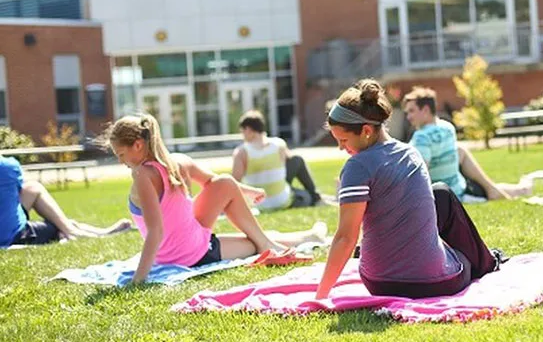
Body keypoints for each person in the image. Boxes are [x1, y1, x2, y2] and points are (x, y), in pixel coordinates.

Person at [315, 80, 498, 300]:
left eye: (343, 140)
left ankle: (484, 259)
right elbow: (347, 239)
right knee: (445, 201)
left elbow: (345, 237)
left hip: (379, 283)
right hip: (436, 283)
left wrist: (320, 294)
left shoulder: (357, 166)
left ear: (366, 131)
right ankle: (488, 262)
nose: (341, 148)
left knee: (440, 195)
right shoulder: (411, 153)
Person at [103, 114, 327, 284]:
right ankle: (295, 239)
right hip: (189, 246)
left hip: (186, 253)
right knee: (252, 237)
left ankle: (295, 239)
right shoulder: (177, 161)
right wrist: (248, 191)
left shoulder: (142, 174)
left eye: (121, 154)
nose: (120, 161)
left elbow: (156, 231)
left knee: (229, 192)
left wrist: (138, 280)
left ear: (138, 145)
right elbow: (215, 182)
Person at [401, 87, 514, 201]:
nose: (408, 117)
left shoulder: (421, 136)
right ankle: (521, 189)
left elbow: (420, 173)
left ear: (425, 110)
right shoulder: (447, 127)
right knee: (461, 150)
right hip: (459, 188)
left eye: (411, 111)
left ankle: (517, 189)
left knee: (461, 151)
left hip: (445, 196)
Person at [0, 154, 131, 248]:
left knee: (32, 188)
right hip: (10, 236)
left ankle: (79, 230)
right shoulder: (9, 166)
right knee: (58, 225)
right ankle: (80, 232)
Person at [232, 110, 322, 211]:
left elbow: (234, 183)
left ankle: (314, 196)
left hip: (256, 204)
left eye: (242, 131)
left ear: (248, 129)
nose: (242, 135)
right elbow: (292, 162)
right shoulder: (279, 144)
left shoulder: (241, 152)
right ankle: (316, 197)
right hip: (282, 201)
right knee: (298, 164)